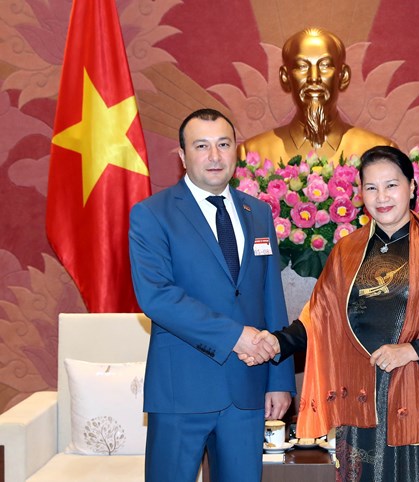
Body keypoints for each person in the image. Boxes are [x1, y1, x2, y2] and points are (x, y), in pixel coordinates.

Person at [244, 145, 419, 481]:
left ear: (412, 187)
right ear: (360, 194)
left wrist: (411, 350)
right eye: (371, 187)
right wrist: (275, 342)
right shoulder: (347, 251)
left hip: (418, 391)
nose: (382, 196)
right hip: (359, 394)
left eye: (391, 185)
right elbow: (318, 320)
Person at [128, 108, 295, 482]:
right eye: (202, 146)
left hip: (246, 390)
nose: (215, 156)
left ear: (236, 151)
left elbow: (272, 297)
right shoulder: (152, 214)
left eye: (223, 144)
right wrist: (235, 336)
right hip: (180, 391)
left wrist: (280, 378)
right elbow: (157, 296)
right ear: (182, 156)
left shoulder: (259, 213)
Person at [237, 27, 397, 165]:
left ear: (343, 76)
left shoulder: (380, 151)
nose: (314, 77)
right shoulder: (252, 154)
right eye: (302, 66)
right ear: (285, 77)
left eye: (325, 65)